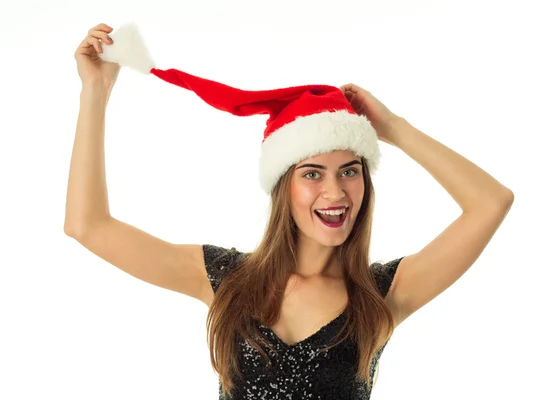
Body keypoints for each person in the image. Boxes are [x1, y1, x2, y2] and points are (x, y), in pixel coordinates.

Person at [65, 22, 514, 400]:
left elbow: (491, 203)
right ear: (285, 187)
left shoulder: (383, 296)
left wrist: (394, 129)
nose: (335, 192)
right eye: (313, 174)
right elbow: (88, 226)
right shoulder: (225, 278)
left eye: (350, 171)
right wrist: (96, 91)